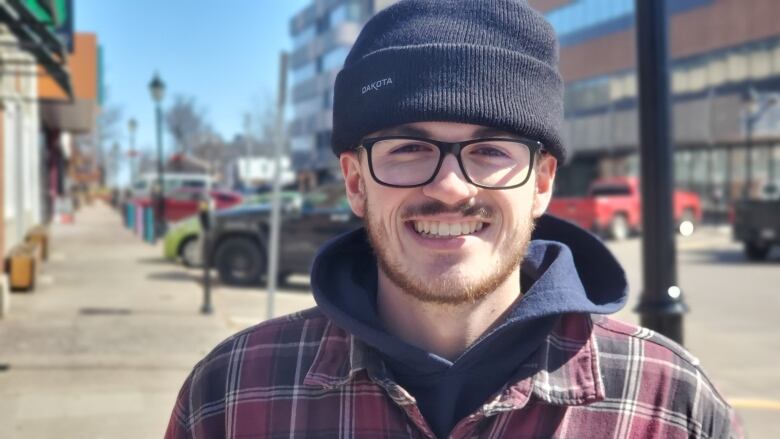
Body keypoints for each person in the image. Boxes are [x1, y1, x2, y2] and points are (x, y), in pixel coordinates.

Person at [165, 1, 741, 437]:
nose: (449, 186)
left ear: (541, 182)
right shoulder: (232, 394)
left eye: (491, 150)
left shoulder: (668, 403)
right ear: (355, 182)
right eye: (407, 149)